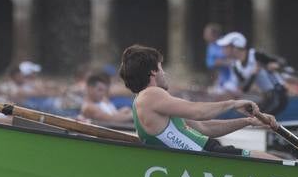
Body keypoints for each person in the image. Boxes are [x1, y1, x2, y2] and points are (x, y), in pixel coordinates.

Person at [117, 44, 279, 159]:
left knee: (273, 159)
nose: (164, 72)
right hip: (205, 157)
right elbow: (198, 112)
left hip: (209, 152)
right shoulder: (150, 94)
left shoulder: (149, 100)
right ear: (153, 71)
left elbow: (203, 127)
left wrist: (248, 121)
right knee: (275, 162)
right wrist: (233, 103)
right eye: (160, 67)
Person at [214, 31, 289, 114]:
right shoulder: (235, 66)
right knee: (251, 115)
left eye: (225, 47)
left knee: (261, 118)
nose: (222, 50)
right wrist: (254, 73)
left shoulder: (256, 55)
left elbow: (282, 61)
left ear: (235, 47)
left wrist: (276, 64)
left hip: (278, 96)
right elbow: (245, 88)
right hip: (266, 98)